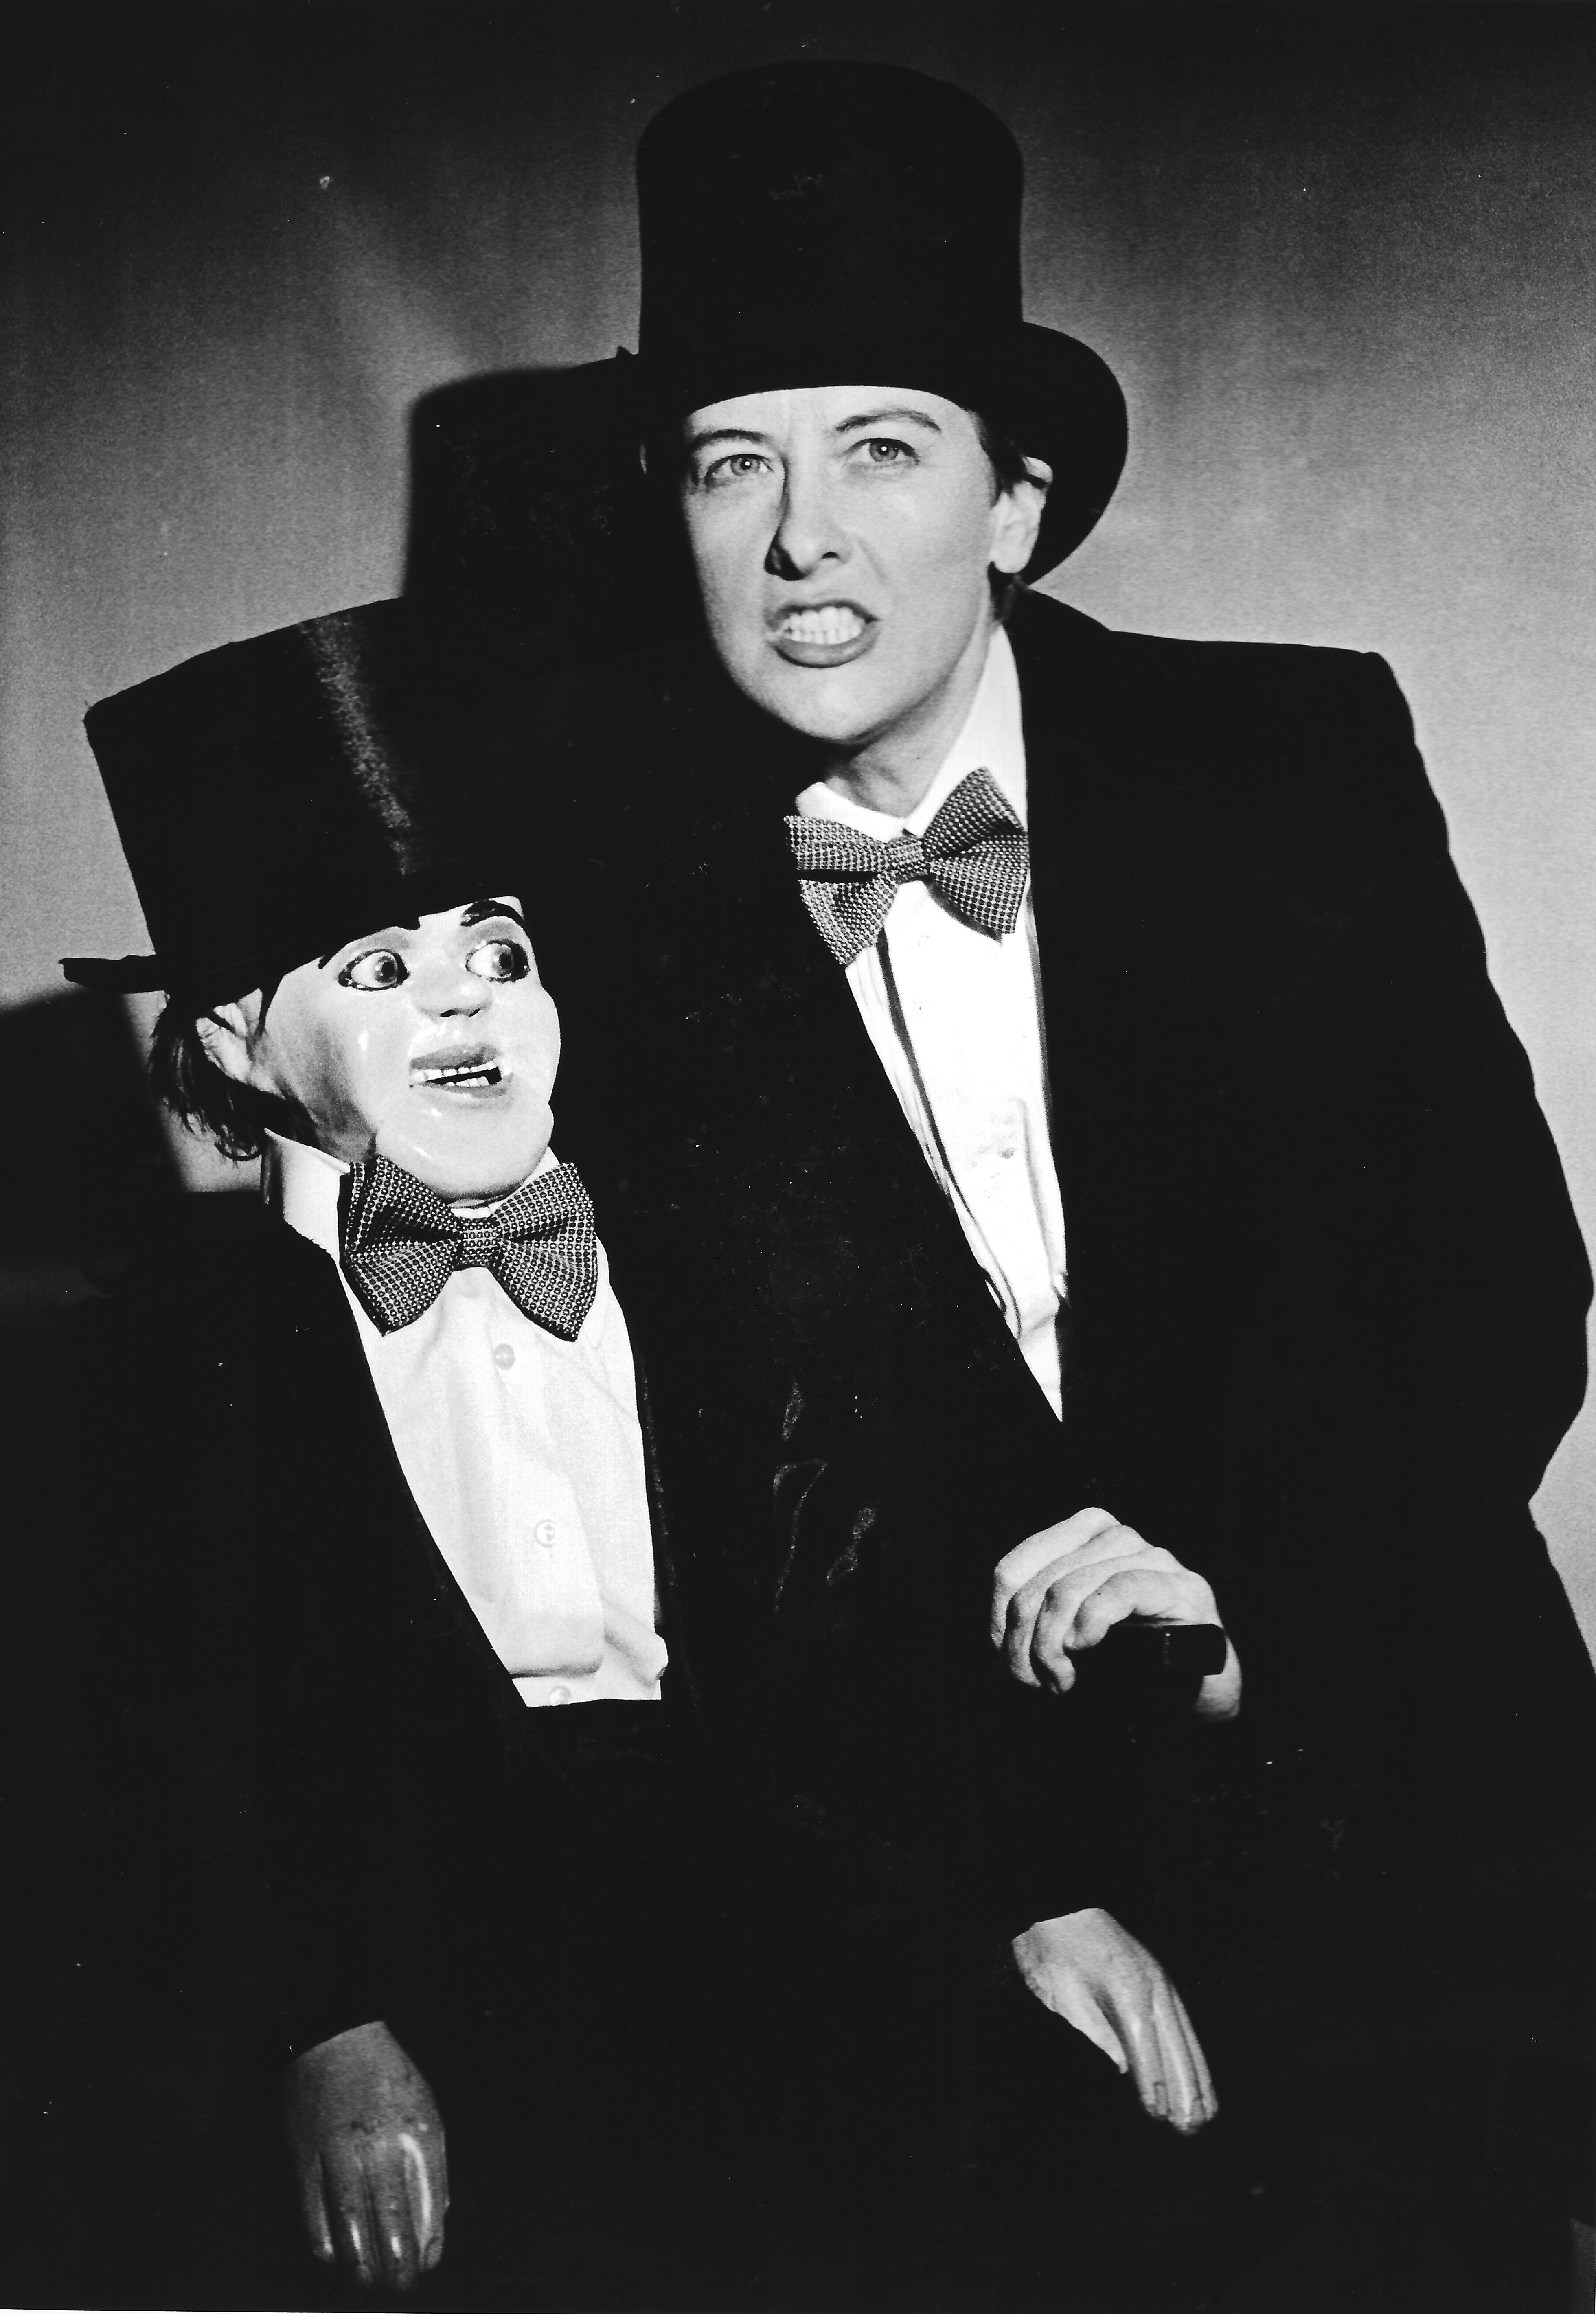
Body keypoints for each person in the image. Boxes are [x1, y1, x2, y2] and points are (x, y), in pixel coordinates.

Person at [538, 59, 1596, 2310]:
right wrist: (994, 1869)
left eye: (879, 450)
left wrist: (1232, 1607)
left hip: (1372, 1765)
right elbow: (688, 1495)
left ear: (1014, 503)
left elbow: (1492, 1285)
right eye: (733, 462)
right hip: (941, 1882)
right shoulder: (595, 923)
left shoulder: (1285, 756)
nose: (800, 540)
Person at [13, 599, 736, 2310]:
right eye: (379, 971)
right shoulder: (144, 1371)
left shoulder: (722, 1282)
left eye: (501, 953)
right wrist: (316, 2021)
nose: (463, 998)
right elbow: (137, 1753)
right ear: (233, 1041)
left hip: (749, 1946)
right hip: (422, 1977)